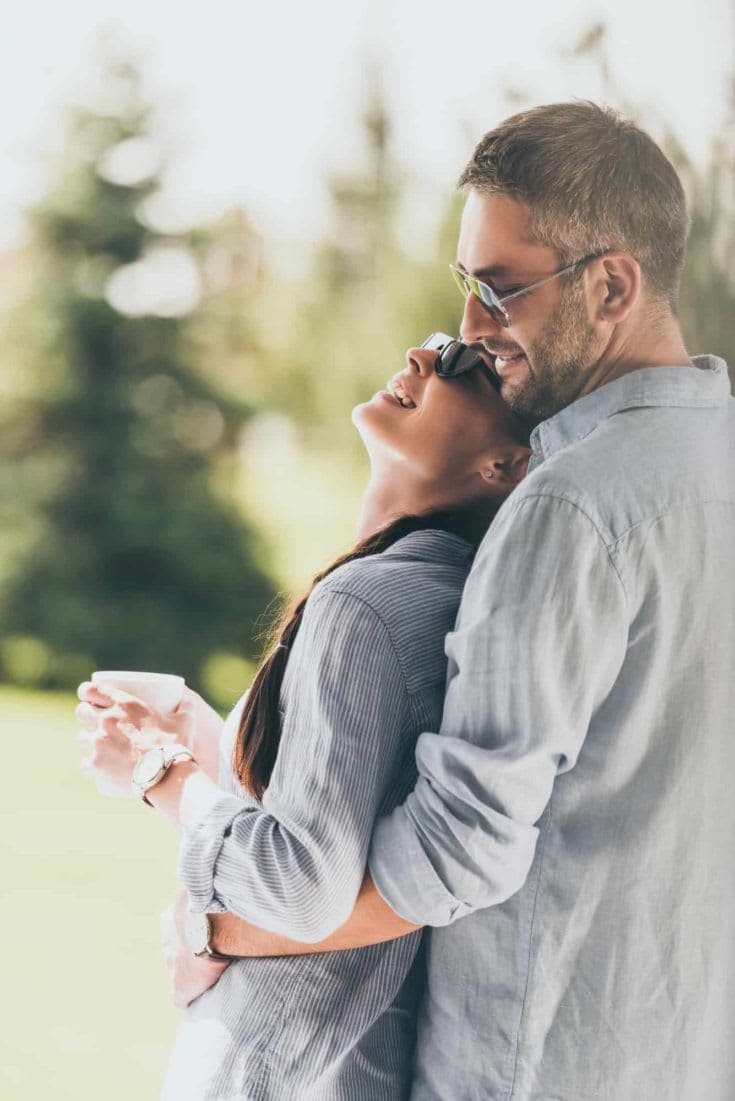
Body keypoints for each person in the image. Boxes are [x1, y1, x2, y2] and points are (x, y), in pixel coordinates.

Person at [163, 102, 735, 1100]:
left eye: (502, 290)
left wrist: (219, 925)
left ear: (613, 285)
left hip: (531, 1065)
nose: (473, 326)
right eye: (467, 286)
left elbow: (453, 853)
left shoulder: (573, 503)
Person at [76, 335, 531, 1099]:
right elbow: (333, 821)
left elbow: (301, 885)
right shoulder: (431, 592)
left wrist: (161, 770)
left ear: (506, 464)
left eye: (462, 365)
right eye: (430, 345)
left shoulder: (368, 603)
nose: (423, 358)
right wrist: (197, 729)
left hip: (279, 1066)